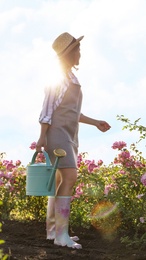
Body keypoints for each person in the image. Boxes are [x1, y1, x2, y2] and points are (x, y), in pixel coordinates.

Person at [36, 32, 111, 249]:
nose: (80, 52)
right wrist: (42, 137)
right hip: (57, 133)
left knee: (60, 181)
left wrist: (96, 122)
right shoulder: (57, 78)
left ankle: (54, 231)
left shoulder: (71, 78)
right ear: (69, 53)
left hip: (70, 135)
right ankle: (61, 235)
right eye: (77, 49)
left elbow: (71, 112)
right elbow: (47, 110)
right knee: (69, 176)